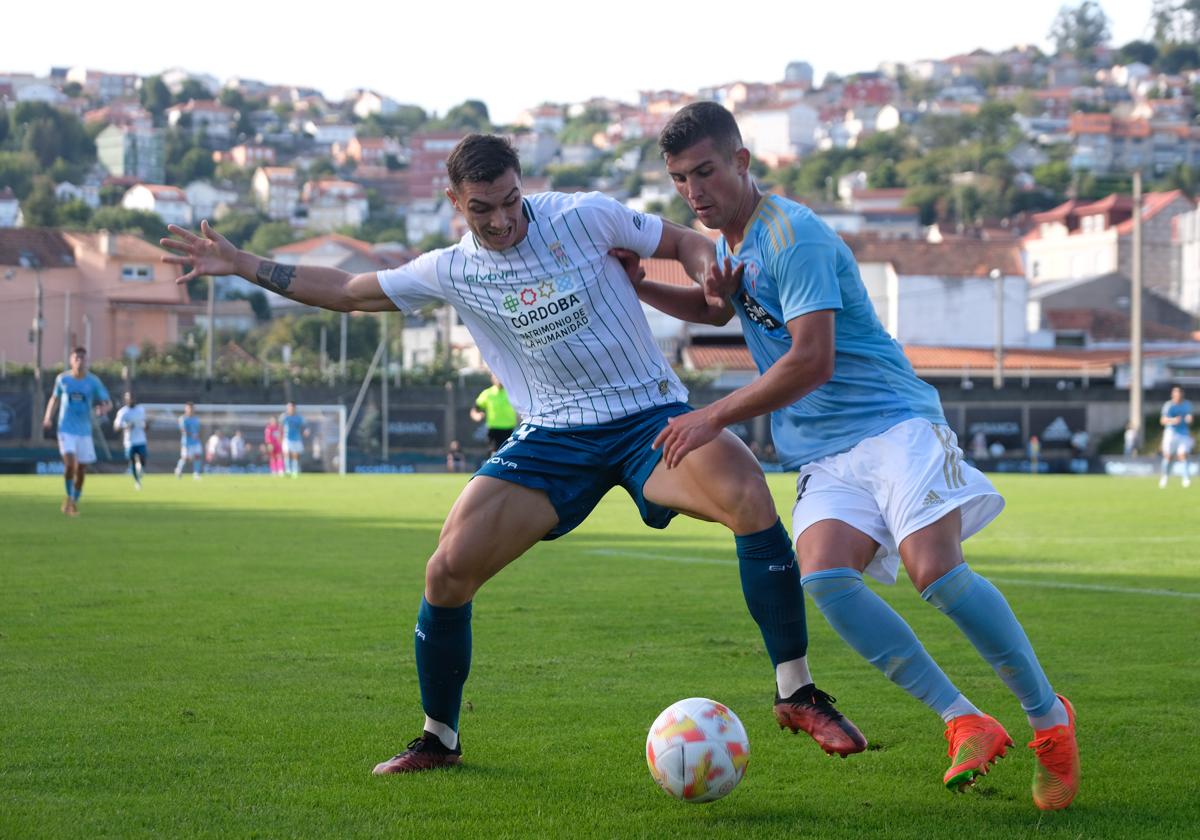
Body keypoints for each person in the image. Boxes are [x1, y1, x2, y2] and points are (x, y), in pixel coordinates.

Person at [160, 133, 865, 777]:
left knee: (747, 492)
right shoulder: (451, 269)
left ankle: (795, 691)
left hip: (648, 414)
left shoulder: (585, 216)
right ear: (454, 204)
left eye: (509, 202)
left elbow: (681, 240)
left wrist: (710, 270)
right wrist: (240, 264)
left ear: (521, 187)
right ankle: (440, 737)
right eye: (481, 210)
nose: (499, 221)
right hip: (554, 437)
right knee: (446, 570)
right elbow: (346, 290)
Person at [631, 102, 1077, 810]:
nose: (694, 193)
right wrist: (639, 284)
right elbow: (721, 312)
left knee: (936, 571)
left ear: (742, 162)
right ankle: (965, 719)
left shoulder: (795, 237)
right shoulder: (728, 243)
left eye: (706, 172)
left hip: (892, 424)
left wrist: (711, 415)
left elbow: (811, 360)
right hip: (826, 451)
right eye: (682, 180)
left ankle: (1050, 725)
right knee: (826, 578)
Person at [42, 347, 111, 515]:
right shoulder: (63, 380)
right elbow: (55, 399)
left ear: (87, 361)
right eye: (76, 357)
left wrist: (104, 409)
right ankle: (69, 496)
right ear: (71, 360)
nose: (80, 361)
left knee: (81, 469)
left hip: (84, 431)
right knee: (70, 464)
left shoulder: (93, 381)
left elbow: (107, 402)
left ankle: (74, 500)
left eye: (83, 358)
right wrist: (48, 417)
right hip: (65, 429)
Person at [471, 373, 519, 454]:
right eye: (496, 376)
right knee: (493, 454)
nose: (498, 379)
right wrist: (476, 416)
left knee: (508, 453)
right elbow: (475, 409)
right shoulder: (487, 393)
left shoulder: (513, 392)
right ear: (492, 378)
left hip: (509, 430)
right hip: (493, 431)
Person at [1159, 386, 1193, 489]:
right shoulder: (1168, 405)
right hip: (1171, 433)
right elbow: (1162, 420)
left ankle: (1186, 478)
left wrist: (1189, 419)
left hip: (1183, 433)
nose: (1178, 395)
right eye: (1175, 393)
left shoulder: (1187, 405)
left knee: (1183, 455)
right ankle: (1165, 476)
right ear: (1173, 395)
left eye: (1179, 393)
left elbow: (1190, 417)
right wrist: (1173, 420)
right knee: (1168, 457)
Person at [113, 391, 148, 489]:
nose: (131, 400)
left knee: (143, 459)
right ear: (125, 399)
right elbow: (116, 427)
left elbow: (145, 423)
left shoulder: (141, 410)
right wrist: (125, 426)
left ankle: (141, 469)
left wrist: (145, 426)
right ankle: (137, 481)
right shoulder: (122, 412)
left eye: (132, 397)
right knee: (132, 460)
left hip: (141, 439)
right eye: (128, 398)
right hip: (129, 441)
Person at [174, 402, 203, 479]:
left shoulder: (196, 419)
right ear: (186, 409)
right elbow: (183, 430)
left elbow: (198, 430)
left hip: (196, 442)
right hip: (187, 442)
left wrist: (198, 435)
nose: (191, 410)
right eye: (189, 408)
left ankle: (196, 473)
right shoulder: (182, 419)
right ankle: (178, 469)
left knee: (197, 456)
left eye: (192, 408)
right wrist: (192, 434)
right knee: (185, 458)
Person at [281, 402, 308, 477]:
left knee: (295, 454)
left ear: (294, 408)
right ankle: (287, 470)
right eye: (289, 407)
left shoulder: (299, 417)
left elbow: (305, 426)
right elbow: (280, 426)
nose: (290, 409)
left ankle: (294, 470)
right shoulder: (284, 417)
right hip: (287, 438)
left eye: (291, 407)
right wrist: (280, 437)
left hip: (296, 438)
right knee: (286, 453)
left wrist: (306, 430)